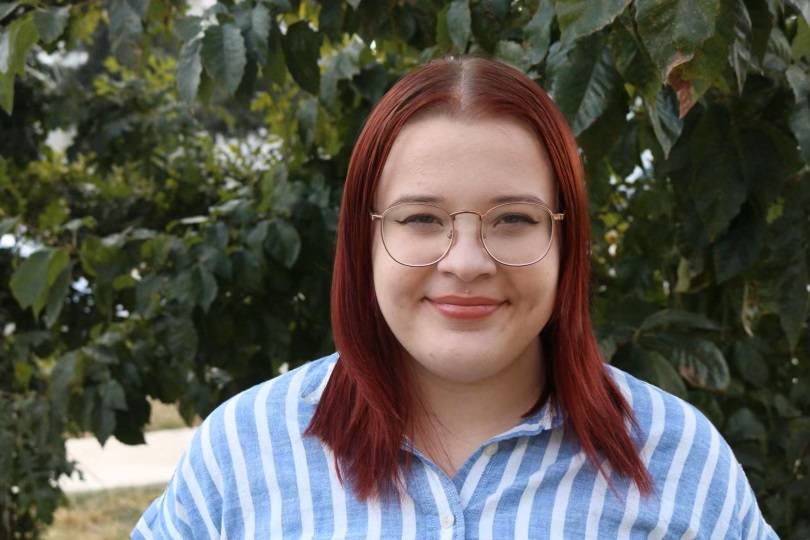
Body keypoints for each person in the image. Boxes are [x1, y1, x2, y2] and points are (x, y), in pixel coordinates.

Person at [132, 56, 778, 539]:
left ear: (566, 242)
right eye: (420, 219)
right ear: (366, 240)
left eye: (513, 220)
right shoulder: (242, 453)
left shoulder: (675, 456)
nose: (466, 263)